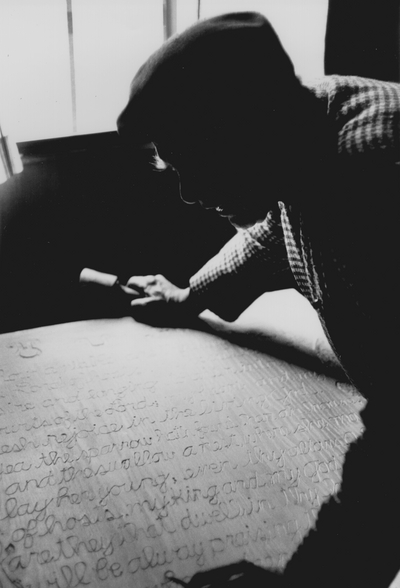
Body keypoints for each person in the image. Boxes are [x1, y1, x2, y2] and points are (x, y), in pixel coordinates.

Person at [117, 12, 400, 588]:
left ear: (251, 130)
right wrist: (189, 296)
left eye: (195, 167)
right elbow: (276, 230)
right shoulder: (306, 119)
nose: (188, 193)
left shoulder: (364, 184)